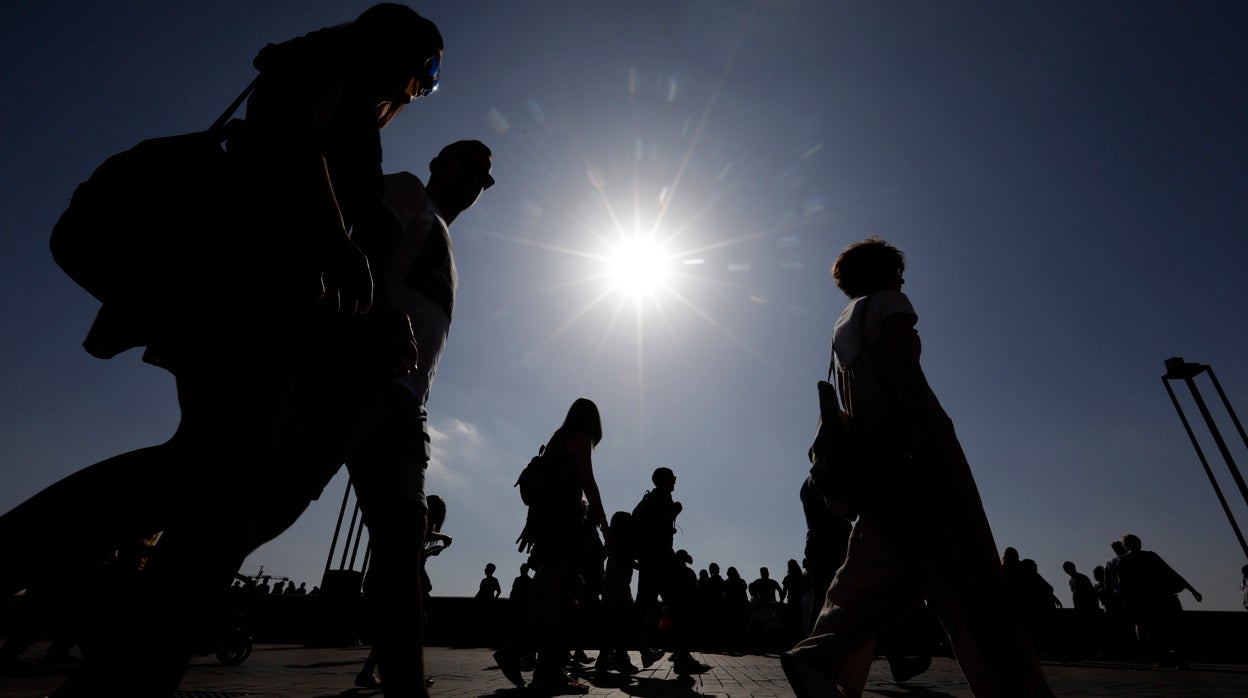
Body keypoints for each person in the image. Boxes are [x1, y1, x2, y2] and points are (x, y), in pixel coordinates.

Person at [0, 7, 444, 696]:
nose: (422, 90)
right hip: (235, 286)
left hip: (277, 309)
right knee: (220, 463)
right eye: (429, 72)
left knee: (235, 492)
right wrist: (334, 239)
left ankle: (129, 679)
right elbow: (290, 131)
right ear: (398, 52)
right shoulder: (323, 68)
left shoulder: (354, 106)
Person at [783, 238, 1053, 698]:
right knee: (966, 569)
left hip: (876, 461)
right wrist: (926, 441)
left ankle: (819, 657)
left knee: (880, 567)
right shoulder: (890, 303)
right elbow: (905, 375)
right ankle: (1012, 685)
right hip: (918, 449)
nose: (903, 279)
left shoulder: (841, 326)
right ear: (884, 272)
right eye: (897, 269)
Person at [337, 139, 493, 696]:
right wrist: (374, 316)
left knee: (405, 529)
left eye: (485, 178)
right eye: (469, 167)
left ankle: (405, 688)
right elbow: (363, 255)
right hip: (356, 377)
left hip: (406, 404)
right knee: (256, 500)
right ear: (439, 163)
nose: (476, 183)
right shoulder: (406, 190)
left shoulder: (449, 246)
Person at [496, 398, 611, 694]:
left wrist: (532, 523)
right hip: (563, 524)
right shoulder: (580, 439)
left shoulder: (557, 439)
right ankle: (545, 669)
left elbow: (547, 485)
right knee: (560, 596)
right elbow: (588, 483)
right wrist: (604, 523)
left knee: (560, 592)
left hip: (549, 523)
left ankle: (533, 659)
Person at [631, 467, 710, 675]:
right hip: (662, 561)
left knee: (643, 608)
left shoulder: (647, 499)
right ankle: (682, 658)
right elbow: (661, 523)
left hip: (649, 562)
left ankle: (643, 650)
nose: (675, 480)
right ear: (664, 480)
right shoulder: (662, 498)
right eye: (672, 477)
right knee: (680, 607)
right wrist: (675, 511)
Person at [1116, 533, 1201, 669]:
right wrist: (1192, 590)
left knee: (1155, 632)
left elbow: (1122, 585)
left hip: (1144, 601)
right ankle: (1177, 659)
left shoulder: (1124, 561)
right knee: (1172, 629)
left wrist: (1127, 602)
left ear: (1126, 546)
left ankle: (1163, 658)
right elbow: (1171, 572)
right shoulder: (1150, 556)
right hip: (1163, 597)